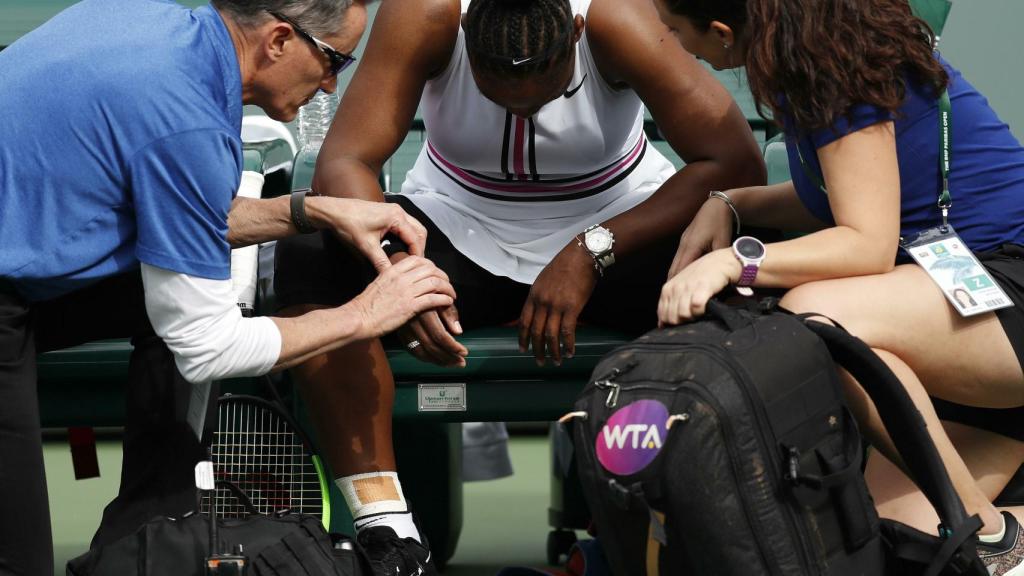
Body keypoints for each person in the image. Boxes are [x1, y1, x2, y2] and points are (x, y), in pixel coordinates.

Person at [272, 0, 765, 570]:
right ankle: (388, 528)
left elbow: (735, 161)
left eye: (545, 96)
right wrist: (397, 275)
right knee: (312, 252)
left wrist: (591, 251)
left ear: (576, 33)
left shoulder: (615, 21)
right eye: (500, 95)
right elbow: (347, 159)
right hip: (457, 222)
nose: (526, 114)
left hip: (613, 227)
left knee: (731, 274)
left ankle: (685, 513)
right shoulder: (428, 15)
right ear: (463, 39)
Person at [0, 0, 458, 574]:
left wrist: (315, 211)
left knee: (157, 304)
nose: (330, 86)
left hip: (20, 263)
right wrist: (365, 314)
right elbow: (206, 346)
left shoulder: (145, 26)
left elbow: (184, 216)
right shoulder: (186, 115)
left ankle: (147, 542)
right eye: (333, 61)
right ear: (279, 40)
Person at [653, 0, 1024, 572]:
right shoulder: (814, 54)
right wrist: (732, 201)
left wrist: (737, 261)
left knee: (820, 314)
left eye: (676, 31)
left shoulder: (833, 69)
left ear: (723, 33)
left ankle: (995, 540)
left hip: (1008, 291)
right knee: (878, 540)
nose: (675, 45)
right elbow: (835, 196)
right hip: (961, 323)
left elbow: (865, 243)